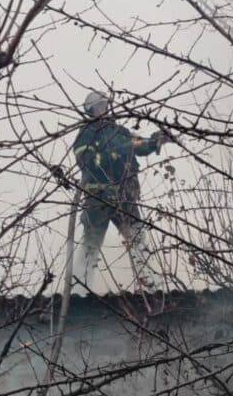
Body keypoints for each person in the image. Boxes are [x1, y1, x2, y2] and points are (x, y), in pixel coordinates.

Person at [72, 90, 171, 288]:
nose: (102, 110)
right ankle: (78, 291)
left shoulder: (120, 132)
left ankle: (152, 289)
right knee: (91, 245)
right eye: (98, 107)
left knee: (138, 240)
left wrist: (154, 141)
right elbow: (89, 162)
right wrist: (117, 153)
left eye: (104, 105)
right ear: (90, 111)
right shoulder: (86, 134)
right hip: (98, 198)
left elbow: (138, 145)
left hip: (125, 196)